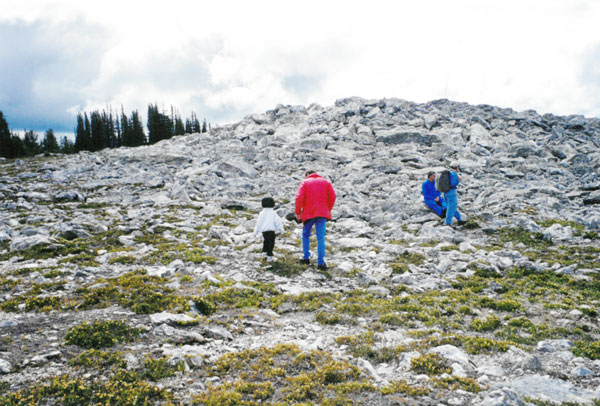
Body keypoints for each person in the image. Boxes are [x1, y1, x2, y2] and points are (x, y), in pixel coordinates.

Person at [295, 170, 336, 269]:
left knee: (305, 235)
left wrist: (298, 212)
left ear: (307, 175)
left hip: (309, 213)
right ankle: (321, 263)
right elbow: (333, 196)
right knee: (320, 238)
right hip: (322, 213)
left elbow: (299, 197)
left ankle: (306, 258)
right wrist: (328, 209)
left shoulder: (305, 182)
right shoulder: (326, 182)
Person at [253, 197, 284, 261]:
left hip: (264, 231)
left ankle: (264, 253)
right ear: (273, 204)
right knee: (271, 243)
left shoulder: (261, 213)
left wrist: (255, 232)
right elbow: (278, 222)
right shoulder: (273, 213)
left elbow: (258, 223)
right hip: (271, 231)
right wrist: (282, 230)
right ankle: (269, 257)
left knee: (266, 241)